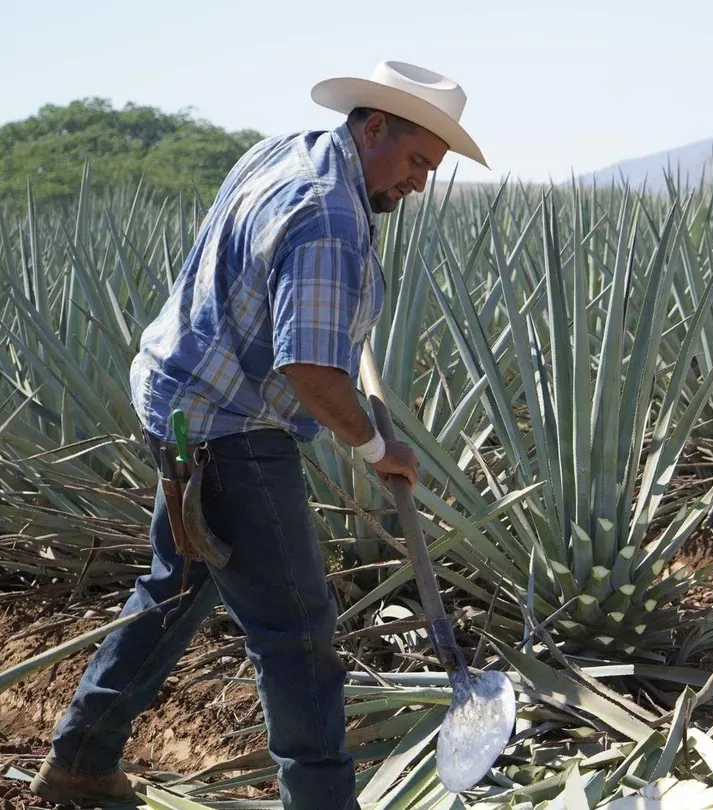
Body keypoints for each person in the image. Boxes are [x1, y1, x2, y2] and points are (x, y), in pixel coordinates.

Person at [30, 61, 487, 809]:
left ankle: (82, 761)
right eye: (414, 163)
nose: (419, 184)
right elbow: (309, 370)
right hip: (232, 429)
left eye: (430, 170)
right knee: (298, 634)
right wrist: (377, 448)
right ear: (373, 127)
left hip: (177, 400)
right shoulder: (328, 216)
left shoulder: (290, 151)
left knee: (176, 586)